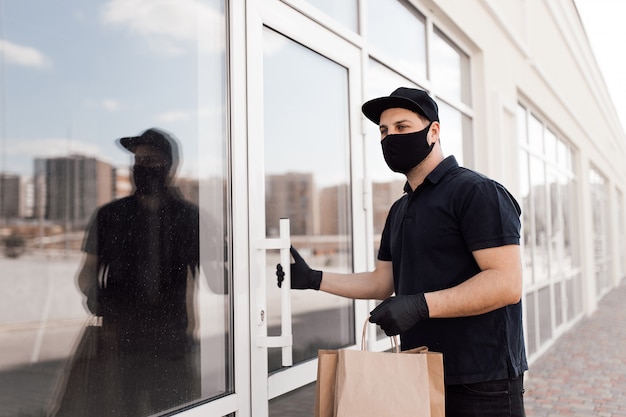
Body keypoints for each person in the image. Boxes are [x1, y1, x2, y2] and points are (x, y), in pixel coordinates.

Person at [277, 87, 527, 417]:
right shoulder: (400, 208)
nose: (390, 137)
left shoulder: (476, 192)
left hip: (481, 380)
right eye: (383, 130)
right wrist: (314, 278)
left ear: (433, 131)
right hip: (417, 372)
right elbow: (382, 282)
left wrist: (420, 305)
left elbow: (506, 283)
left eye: (402, 127)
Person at [52, 128, 203, 417]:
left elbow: (205, 282)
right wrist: (97, 299)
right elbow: (86, 273)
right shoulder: (110, 215)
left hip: (171, 345)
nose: (141, 167)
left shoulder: (187, 217)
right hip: (119, 344)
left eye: (150, 160)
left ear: (168, 165)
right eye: (137, 160)